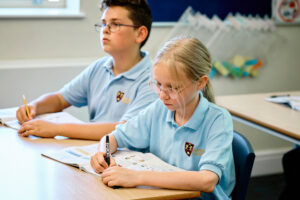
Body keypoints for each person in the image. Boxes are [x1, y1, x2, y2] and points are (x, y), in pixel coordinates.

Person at [90, 37, 235, 200]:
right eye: (158, 84)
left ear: (200, 83)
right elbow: (113, 137)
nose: (162, 95)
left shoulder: (218, 120)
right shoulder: (159, 108)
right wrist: (102, 153)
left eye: (173, 88)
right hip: (161, 195)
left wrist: (137, 177)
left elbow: (207, 180)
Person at [16, 0, 157, 140]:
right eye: (103, 23)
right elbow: (59, 99)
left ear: (140, 34)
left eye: (115, 24)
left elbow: (123, 129)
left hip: (124, 157)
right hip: (93, 151)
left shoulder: (153, 79)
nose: (105, 30)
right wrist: (34, 107)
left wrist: (57, 128)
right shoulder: (99, 67)